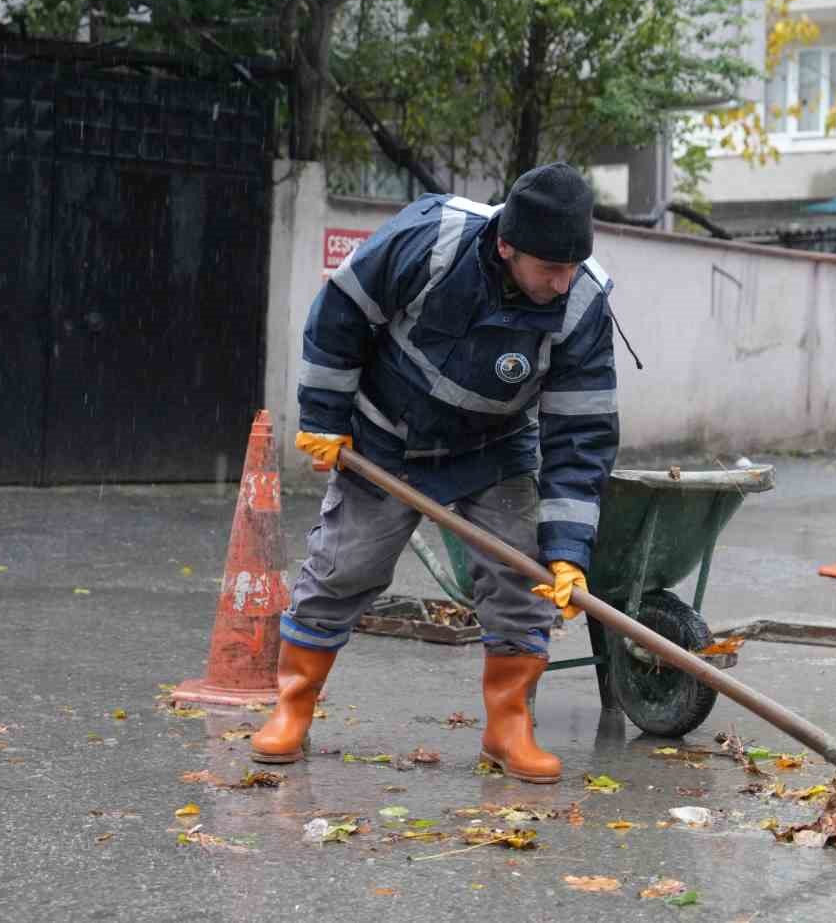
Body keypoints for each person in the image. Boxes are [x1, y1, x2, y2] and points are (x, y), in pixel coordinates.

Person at [250, 162, 619, 784]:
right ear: (507, 246)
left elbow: (579, 433)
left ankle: (509, 730)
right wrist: (323, 416)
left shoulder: (582, 302)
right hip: (386, 438)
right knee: (345, 568)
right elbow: (339, 317)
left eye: (571, 268)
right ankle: (293, 708)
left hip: (492, 450)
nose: (562, 284)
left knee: (519, 583)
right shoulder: (428, 241)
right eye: (549, 270)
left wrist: (566, 551)